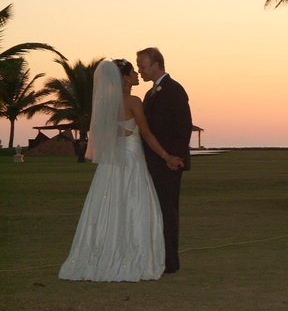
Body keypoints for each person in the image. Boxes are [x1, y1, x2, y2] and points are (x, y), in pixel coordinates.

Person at [59, 59, 182, 282]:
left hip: (112, 164)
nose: (137, 75)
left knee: (110, 206)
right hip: (133, 162)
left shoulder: (106, 104)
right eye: (133, 72)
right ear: (125, 78)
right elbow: (146, 134)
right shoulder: (133, 101)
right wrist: (167, 156)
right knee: (135, 207)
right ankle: (133, 257)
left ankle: (104, 254)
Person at [137, 47, 192, 274]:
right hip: (153, 162)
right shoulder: (149, 94)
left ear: (156, 64)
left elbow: (183, 126)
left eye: (143, 65)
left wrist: (175, 158)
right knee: (156, 212)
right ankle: (159, 258)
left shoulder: (174, 90)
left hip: (169, 163)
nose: (140, 70)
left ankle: (170, 262)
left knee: (168, 212)